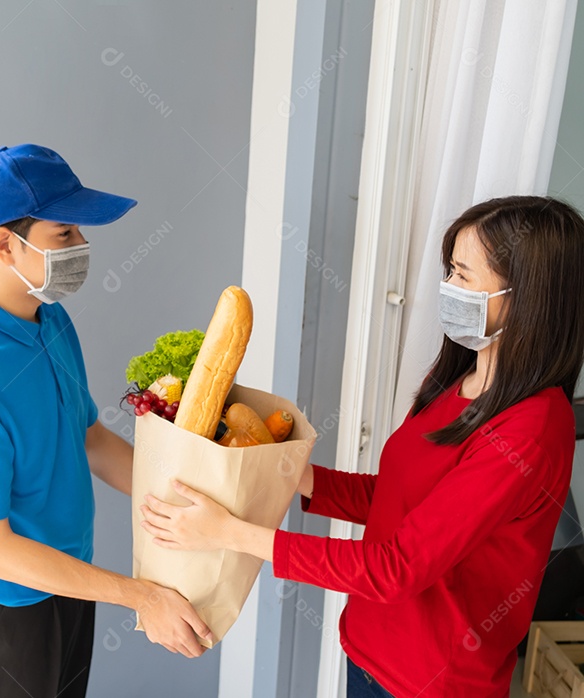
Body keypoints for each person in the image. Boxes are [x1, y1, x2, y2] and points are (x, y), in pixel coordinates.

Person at [140, 195, 584, 696]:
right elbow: (396, 500)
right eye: (450, 271)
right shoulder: (459, 381)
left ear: (527, 294)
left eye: (463, 275)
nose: (448, 288)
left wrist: (230, 534)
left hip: (432, 682)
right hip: (370, 651)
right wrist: (280, 467)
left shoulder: (532, 429)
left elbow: (398, 567)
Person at [0, 144, 212, 698]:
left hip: (69, 579)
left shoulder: (50, 320)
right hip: (1, 605)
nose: (82, 247)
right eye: (64, 234)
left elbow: (91, 439)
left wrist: (192, 500)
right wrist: (142, 596)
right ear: (6, 244)